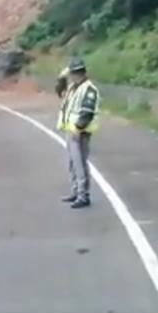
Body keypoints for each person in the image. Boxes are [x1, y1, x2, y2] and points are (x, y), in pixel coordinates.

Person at [57, 58, 100, 209]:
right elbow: (59, 92)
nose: (73, 76)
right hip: (70, 130)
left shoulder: (89, 89)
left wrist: (78, 127)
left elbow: (87, 112)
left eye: (74, 73)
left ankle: (83, 195)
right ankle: (76, 191)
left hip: (80, 132)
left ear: (81, 73)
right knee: (72, 163)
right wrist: (61, 77)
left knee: (80, 163)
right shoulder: (72, 88)